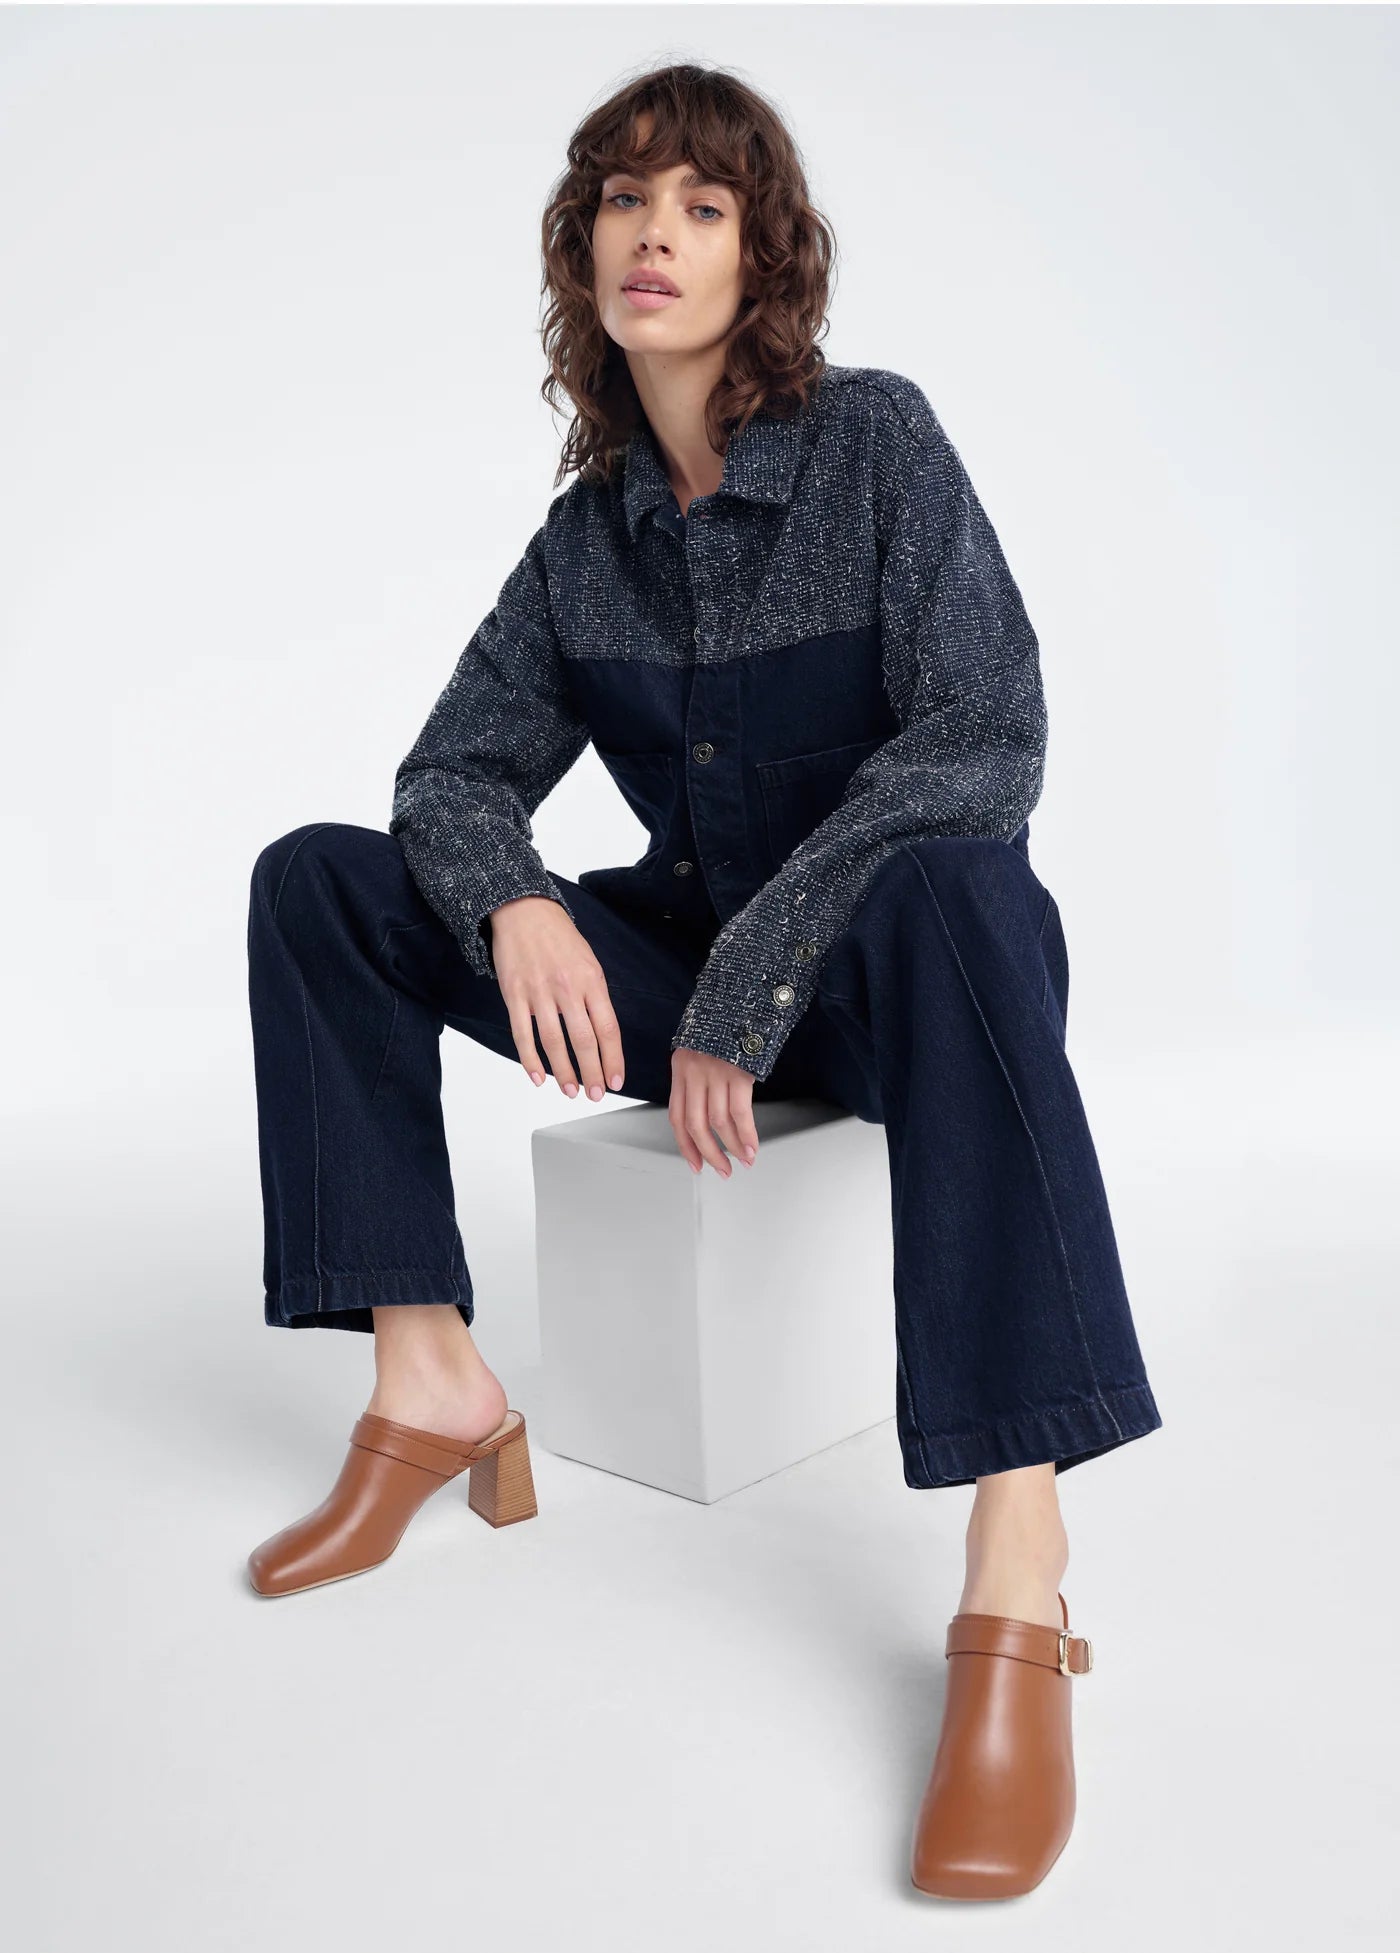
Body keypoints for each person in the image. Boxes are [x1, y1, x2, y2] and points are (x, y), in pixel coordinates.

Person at [243, 63, 1162, 1899]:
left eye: (704, 205)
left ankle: (1018, 1569)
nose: (655, 233)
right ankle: (430, 1382)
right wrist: (511, 898)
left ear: (767, 259)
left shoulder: (878, 446)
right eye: (623, 200)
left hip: (908, 984)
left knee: (963, 887)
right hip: (696, 972)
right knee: (321, 885)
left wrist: (753, 969)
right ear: (583, 252)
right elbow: (450, 775)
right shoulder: (588, 538)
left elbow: (988, 730)